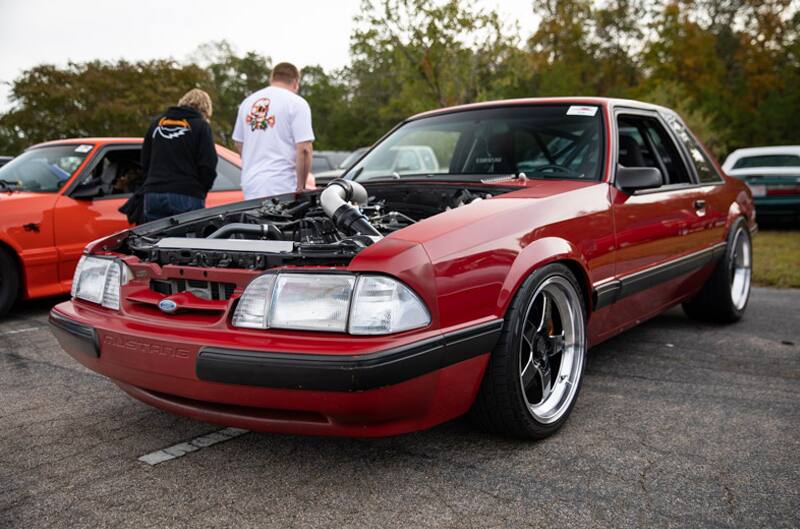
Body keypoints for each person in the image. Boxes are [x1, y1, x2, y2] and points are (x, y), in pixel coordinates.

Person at [232, 62, 315, 199]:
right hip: (283, 185)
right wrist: (301, 186)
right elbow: (305, 149)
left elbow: (239, 143)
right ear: (295, 82)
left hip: (251, 184)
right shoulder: (297, 103)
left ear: (272, 79)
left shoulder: (247, 102)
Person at [139, 88, 218, 223]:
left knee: (155, 242)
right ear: (206, 109)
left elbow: (144, 160)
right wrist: (202, 189)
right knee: (186, 242)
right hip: (187, 193)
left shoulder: (156, 124)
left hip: (154, 193)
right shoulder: (201, 126)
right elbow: (208, 164)